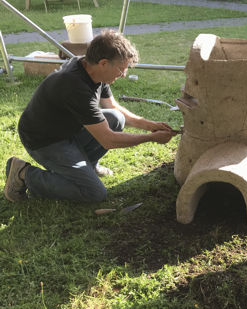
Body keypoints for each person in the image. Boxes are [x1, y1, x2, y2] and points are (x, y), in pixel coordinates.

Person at [4, 29, 177, 203]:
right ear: (103, 63)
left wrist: (149, 125)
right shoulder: (74, 86)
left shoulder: (91, 70)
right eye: (121, 69)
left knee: (116, 118)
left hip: (66, 130)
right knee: (93, 193)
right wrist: (151, 138)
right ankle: (23, 174)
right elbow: (109, 140)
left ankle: (88, 167)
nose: (123, 75)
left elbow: (112, 106)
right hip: (44, 141)